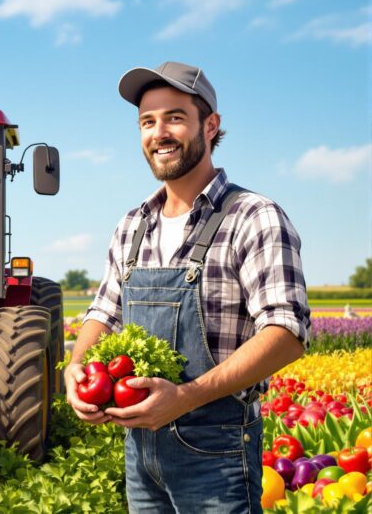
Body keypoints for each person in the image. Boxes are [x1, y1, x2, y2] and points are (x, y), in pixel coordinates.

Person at [64, 61, 310, 513]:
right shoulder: (132, 225)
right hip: (140, 451)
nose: (159, 133)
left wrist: (184, 398)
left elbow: (287, 332)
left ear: (210, 126)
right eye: (147, 122)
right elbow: (104, 312)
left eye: (174, 118)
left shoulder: (253, 216)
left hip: (216, 453)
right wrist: (75, 368)